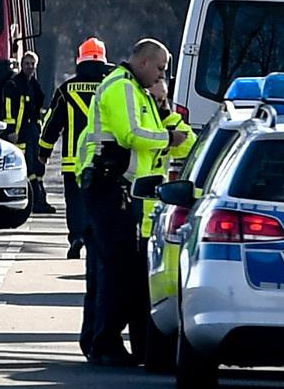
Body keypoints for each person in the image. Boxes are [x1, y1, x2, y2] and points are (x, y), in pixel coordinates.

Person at [75, 38, 187, 366]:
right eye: (160, 68)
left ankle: (104, 341)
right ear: (143, 63)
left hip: (128, 192)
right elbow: (131, 135)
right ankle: (104, 343)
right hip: (106, 185)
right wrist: (167, 138)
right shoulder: (121, 88)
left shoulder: (145, 94)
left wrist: (165, 109)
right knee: (116, 266)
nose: (162, 76)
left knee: (116, 267)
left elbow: (185, 144)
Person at [133, 77, 195, 366]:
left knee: (150, 297)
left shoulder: (165, 123)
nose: (159, 106)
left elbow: (189, 145)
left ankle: (145, 350)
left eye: (162, 101)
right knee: (137, 296)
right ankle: (139, 350)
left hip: (156, 222)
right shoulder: (145, 126)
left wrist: (169, 114)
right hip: (136, 216)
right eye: (155, 101)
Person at [39, 37, 112, 260]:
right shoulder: (111, 86)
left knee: (75, 200)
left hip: (73, 159)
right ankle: (96, 238)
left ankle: (77, 236)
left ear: (79, 60)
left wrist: (43, 153)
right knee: (99, 199)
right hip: (103, 158)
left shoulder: (66, 88)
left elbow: (52, 123)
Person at [2, 52, 56, 213]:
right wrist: (12, 131)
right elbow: (9, 110)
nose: (30, 67)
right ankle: (34, 200)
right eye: (27, 63)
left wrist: (40, 129)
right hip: (20, 132)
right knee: (29, 166)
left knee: (38, 166)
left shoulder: (35, 85)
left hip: (33, 131)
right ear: (21, 64)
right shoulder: (13, 84)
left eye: (32, 64)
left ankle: (40, 198)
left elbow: (38, 110)